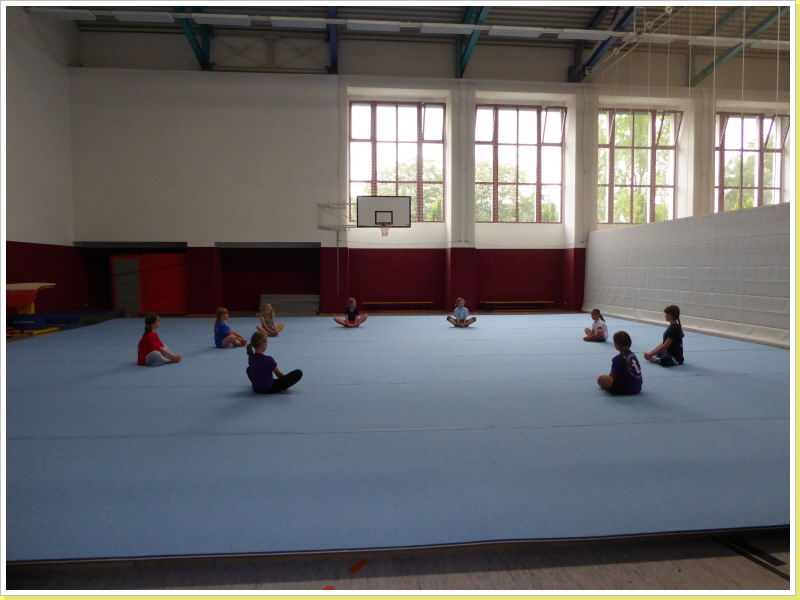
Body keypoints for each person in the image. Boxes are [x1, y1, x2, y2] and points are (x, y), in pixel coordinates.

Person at [597, 331, 642, 395]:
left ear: (616, 344)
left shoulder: (617, 359)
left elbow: (612, 376)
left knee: (601, 379)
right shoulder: (633, 355)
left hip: (626, 389)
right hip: (638, 388)